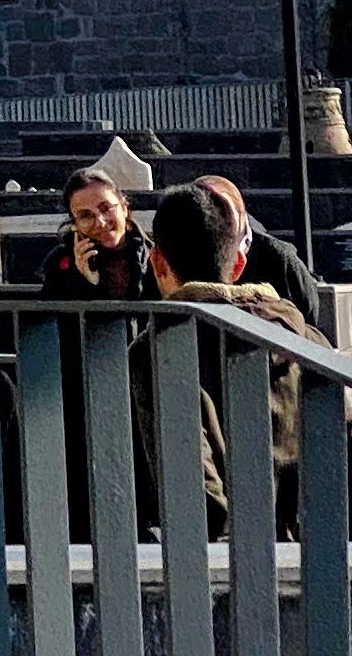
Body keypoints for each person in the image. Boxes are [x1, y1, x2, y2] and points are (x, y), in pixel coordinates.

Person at [139, 181, 321, 521]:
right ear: (238, 264)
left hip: (223, 558)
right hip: (313, 545)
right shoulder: (307, 341)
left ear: (158, 263)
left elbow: (193, 481)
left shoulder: (158, 351)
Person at [192, 172, 320, 327]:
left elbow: (307, 322)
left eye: (219, 210)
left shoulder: (279, 259)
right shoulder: (172, 253)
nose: (210, 218)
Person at [37, 168, 153, 303]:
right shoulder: (59, 263)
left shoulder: (156, 258)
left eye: (106, 208)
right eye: (85, 216)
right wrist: (81, 280)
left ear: (124, 208)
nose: (101, 223)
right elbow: (53, 318)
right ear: (75, 224)